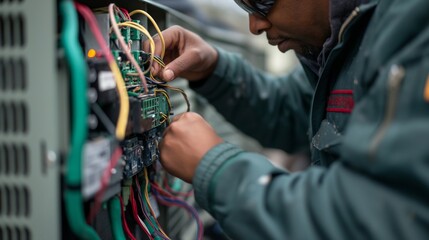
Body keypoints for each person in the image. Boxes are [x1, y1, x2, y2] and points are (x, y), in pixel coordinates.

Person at [145, 0, 429, 239]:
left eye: (261, 2)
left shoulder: (414, 28)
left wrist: (216, 169)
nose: (255, 25)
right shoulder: (343, 40)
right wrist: (213, 69)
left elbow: (373, 216)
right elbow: (292, 110)